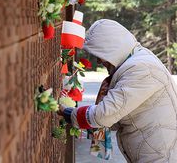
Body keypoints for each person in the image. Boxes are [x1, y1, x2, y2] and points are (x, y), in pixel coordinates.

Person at [59, 19, 177, 163]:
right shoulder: (137, 61)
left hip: (159, 156)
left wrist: (68, 113)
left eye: (99, 55)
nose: (100, 61)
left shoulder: (141, 69)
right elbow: (115, 121)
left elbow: (105, 116)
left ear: (110, 48)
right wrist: (102, 103)